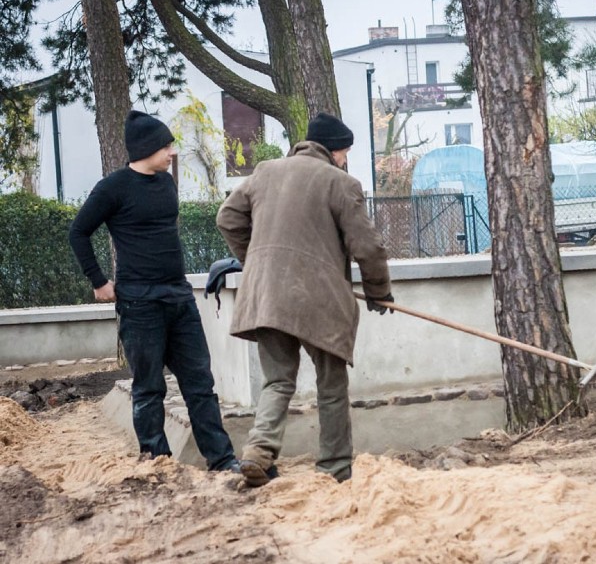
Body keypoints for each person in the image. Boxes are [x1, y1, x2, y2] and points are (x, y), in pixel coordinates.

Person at [216, 112, 393, 487]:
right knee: (331, 386)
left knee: (277, 381)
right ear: (335, 150)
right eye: (344, 152)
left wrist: (259, 261)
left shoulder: (264, 171)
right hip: (319, 299)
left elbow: (228, 218)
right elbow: (368, 246)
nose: (346, 159)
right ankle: (334, 468)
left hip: (266, 297)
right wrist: (379, 292)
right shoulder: (340, 182)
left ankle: (259, 452)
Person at [69, 110, 239, 472]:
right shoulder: (112, 188)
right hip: (140, 302)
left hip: (179, 297)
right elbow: (78, 232)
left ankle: (222, 461)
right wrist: (99, 281)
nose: (172, 153)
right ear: (146, 148)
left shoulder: (166, 183)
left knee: (200, 383)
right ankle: (158, 464)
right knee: (148, 389)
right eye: (166, 146)